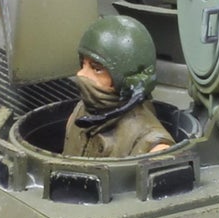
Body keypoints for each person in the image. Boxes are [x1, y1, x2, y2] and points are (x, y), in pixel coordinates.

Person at [62, 15, 175, 158]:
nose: (81, 74)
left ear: (127, 80)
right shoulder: (78, 114)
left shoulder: (151, 147)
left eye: (96, 69)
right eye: (83, 64)